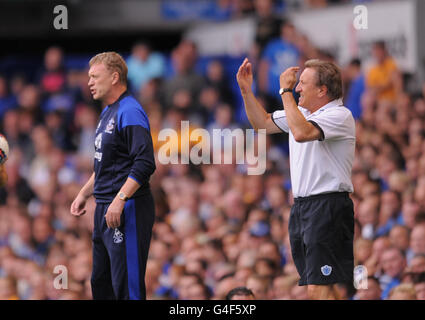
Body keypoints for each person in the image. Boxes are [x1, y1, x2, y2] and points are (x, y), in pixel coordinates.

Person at [236, 58, 355, 300]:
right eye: (297, 84)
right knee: (320, 283)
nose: (298, 88)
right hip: (302, 207)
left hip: (327, 205)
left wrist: (285, 91)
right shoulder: (300, 113)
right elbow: (262, 124)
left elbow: (302, 133)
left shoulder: (339, 114)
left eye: (303, 83)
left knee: (318, 287)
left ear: (322, 90)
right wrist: (247, 91)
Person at [70, 52, 156, 300]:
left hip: (127, 208)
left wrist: (120, 199)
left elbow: (144, 162)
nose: (89, 82)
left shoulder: (129, 110)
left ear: (115, 76)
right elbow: (105, 165)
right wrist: (84, 193)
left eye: (95, 76)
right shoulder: (108, 112)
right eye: (89, 77)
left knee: (126, 288)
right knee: (101, 283)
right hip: (104, 208)